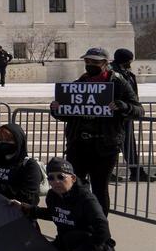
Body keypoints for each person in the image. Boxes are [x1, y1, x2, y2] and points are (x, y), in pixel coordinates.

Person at [49, 47, 143, 214]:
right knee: (74, 187)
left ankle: (100, 231)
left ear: (105, 63)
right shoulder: (79, 84)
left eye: (95, 62)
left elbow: (138, 109)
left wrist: (123, 106)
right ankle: (75, 226)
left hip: (105, 146)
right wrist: (57, 109)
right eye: (87, 61)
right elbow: (68, 114)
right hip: (78, 144)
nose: (90, 64)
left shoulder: (118, 83)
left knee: (100, 189)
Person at [9, 158, 116, 251]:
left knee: (75, 237)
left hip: (97, 248)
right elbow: (55, 214)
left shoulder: (86, 199)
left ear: (73, 178)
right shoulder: (52, 196)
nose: (56, 182)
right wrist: (25, 208)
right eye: (51, 178)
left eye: (61, 177)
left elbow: (103, 231)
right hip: (66, 242)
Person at [0, 124, 43, 206]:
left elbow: (29, 197)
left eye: (8, 140)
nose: (3, 143)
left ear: (18, 141)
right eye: (0, 140)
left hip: (17, 214)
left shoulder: (29, 165)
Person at [110, 48, 145, 179]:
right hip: (116, 115)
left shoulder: (127, 73)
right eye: (129, 60)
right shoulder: (112, 74)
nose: (130, 63)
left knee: (129, 145)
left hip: (126, 113)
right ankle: (108, 172)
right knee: (114, 145)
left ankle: (137, 172)